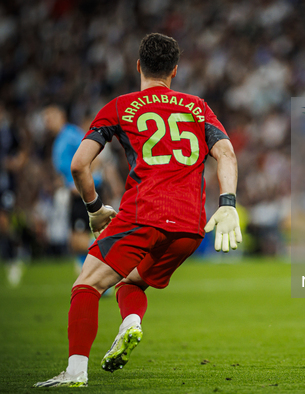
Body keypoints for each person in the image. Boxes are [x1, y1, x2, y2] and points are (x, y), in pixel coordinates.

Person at [34, 33, 242, 388]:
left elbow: (79, 165)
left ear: (137, 66)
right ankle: (131, 322)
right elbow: (227, 154)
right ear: (174, 71)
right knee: (131, 281)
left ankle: (75, 372)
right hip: (190, 227)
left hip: (143, 214)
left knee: (85, 286)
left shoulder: (119, 106)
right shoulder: (199, 107)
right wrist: (228, 204)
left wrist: (95, 208)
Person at [44, 105, 103, 270]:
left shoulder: (71, 135)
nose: (47, 121)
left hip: (84, 193)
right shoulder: (59, 140)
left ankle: (109, 248)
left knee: (78, 241)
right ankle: (95, 283)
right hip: (75, 194)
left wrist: (88, 183)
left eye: (50, 116)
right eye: (45, 118)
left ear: (61, 115)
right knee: (74, 242)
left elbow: (96, 155)